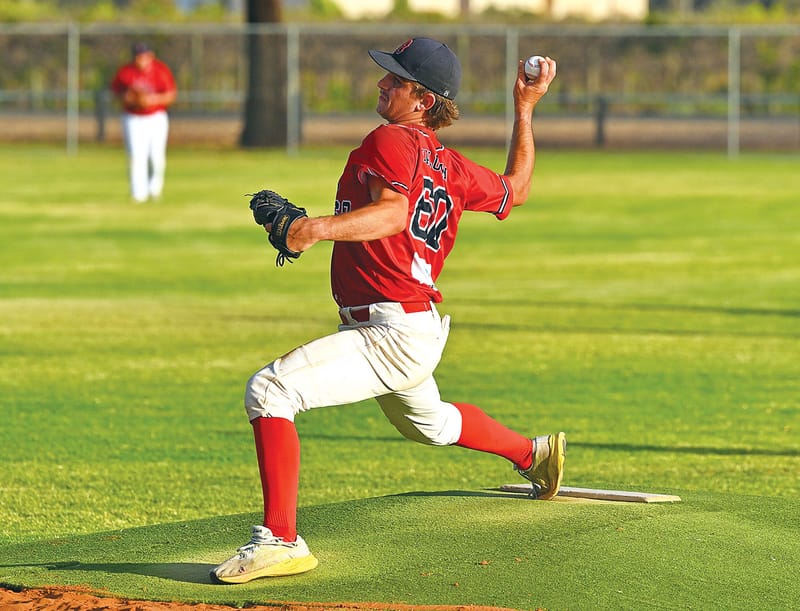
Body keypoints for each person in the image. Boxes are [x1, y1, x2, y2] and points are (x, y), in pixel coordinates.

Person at [210, 37, 563, 584]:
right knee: (435, 424)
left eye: (396, 80)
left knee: (271, 390)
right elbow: (515, 190)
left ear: (423, 100)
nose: (382, 84)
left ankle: (280, 539)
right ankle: (534, 452)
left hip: (389, 330)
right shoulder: (451, 166)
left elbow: (393, 213)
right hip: (409, 328)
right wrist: (524, 107)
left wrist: (310, 230)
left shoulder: (390, 139)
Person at [110, 42, 177, 203]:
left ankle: (154, 189)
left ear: (151, 56)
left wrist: (153, 99)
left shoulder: (160, 70)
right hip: (133, 117)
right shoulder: (126, 72)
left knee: (156, 156)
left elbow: (171, 94)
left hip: (155, 116)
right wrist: (127, 98)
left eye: (144, 55)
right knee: (136, 155)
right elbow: (115, 92)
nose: (141, 59)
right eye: (138, 56)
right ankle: (138, 193)